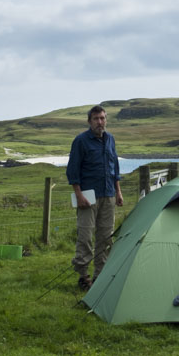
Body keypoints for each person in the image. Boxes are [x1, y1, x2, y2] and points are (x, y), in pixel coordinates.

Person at [66, 105, 123, 290]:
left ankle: (100, 276)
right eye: (96, 119)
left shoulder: (110, 139)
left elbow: (114, 167)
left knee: (106, 237)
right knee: (85, 236)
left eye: (103, 118)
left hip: (108, 195)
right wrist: (78, 194)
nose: (100, 122)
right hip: (88, 197)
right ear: (89, 121)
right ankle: (83, 276)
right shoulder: (81, 141)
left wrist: (118, 191)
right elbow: (73, 169)